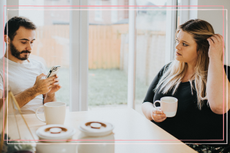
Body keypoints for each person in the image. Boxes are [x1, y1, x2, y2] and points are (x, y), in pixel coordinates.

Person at [142, 19, 230, 151]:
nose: (177, 47)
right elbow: (146, 102)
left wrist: (215, 56)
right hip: (164, 144)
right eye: (177, 41)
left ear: (201, 49)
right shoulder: (168, 70)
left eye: (185, 44)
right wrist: (152, 112)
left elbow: (219, 107)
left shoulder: (223, 73)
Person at [0, 16, 61, 114]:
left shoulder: (38, 65)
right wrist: (35, 90)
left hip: (42, 126)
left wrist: (50, 93)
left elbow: (49, 105)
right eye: (24, 42)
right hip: (16, 128)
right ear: (7, 39)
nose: (29, 47)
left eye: (32, 42)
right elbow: (1, 109)